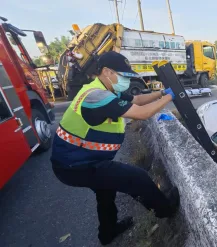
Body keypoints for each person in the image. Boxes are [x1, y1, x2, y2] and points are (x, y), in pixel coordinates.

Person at [51, 51, 179, 245]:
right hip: (75, 165)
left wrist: (162, 93)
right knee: (136, 178)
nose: (125, 80)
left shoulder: (106, 89)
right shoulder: (96, 96)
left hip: (77, 160)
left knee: (106, 191)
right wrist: (171, 98)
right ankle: (165, 210)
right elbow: (142, 113)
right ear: (107, 72)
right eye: (123, 75)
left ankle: (108, 232)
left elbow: (136, 101)